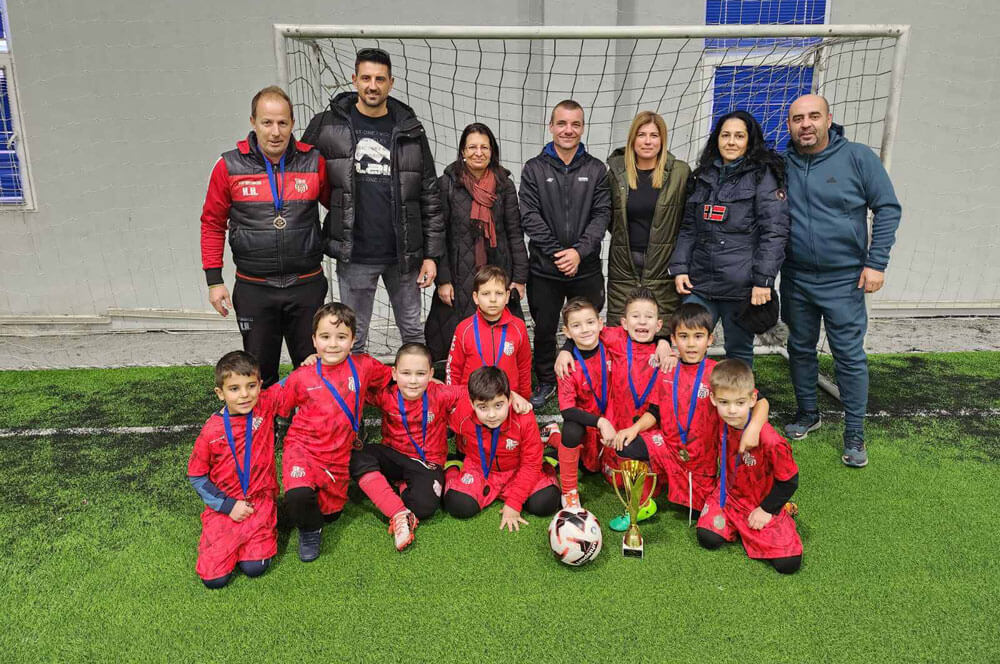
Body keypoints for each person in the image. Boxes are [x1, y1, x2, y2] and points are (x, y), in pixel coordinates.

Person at [782, 94, 902, 468]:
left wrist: (876, 263)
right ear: (789, 125)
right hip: (796, 277)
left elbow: (887, 208)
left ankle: (854, 432)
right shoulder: (781, 163)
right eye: (797, 118)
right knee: (799, 347)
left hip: (845, 279)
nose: (806, 124)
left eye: (813, 116)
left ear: (828, 118)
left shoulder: (857, 157)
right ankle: (808, 413)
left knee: (848, 355)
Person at [302, 48, 444, 353]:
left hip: (403, 256)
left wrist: (431, 256)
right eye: (366, 78)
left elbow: (429, 193)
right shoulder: (327, 124)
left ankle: (416, 385)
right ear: (354, 79)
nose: (372, 85)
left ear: (391, 83)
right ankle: (354, 386)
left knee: (413, 332)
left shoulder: (410, 128)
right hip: (355, 254)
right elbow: (299, 175)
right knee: (354, 338)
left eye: (380, 79)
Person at [200, 86, 330, 387]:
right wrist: (214, 280)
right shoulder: (228, 166)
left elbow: (339, 208)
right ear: (253, 122)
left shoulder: (314, 162)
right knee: (259, 374)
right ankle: (264, 418)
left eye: (282, 123)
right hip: (254, 288)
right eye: (267, 122)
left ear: (292, 123)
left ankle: (310, 419)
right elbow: (212, 223)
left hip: (306, 285)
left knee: (313, 374)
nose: (275, 132)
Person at [613, 303, 769, 528]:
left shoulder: (718, 372)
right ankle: (643, 502)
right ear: (673, 340)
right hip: (668, 448)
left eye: (698, 336)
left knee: (707, 526)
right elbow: (655, 411)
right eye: (684, 336)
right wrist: (633, 429)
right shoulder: (667, 370)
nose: (691, 344)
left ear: (710, 339)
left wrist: (753, 429)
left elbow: (761, 401)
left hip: (700, 463)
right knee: (627, 445)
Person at [668, 110, 790, 368]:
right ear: (717, 139)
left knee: (738, 352)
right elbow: (688, 227)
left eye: (739, 136)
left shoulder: (763, 176)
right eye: (725, 135)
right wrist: (679, 268)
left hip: (741, 287)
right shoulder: (702, 176)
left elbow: (774, 232)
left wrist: (763, 281)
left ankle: (739, 395)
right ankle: (692, 393)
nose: (731, 142)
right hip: (700, 283)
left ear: (749, 141)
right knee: (688, 346)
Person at [278, 303, 392, 562]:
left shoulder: (365, 366)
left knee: (331, 515)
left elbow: (392, 377)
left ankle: (298, 507)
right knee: (298, 494)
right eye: (325, 337)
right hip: (302, 447)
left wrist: (430, 382)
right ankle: (310, 530)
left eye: (341, 337)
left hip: (338, 454)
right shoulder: (303, 375)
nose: (332, 344)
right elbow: (279, 402)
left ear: (353, 340)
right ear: (314, 340)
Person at [520, 99, 611, 408]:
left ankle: (587, 376)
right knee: (545, 329)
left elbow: (602, 215)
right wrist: (560, 253)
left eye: (575, 124)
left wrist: (579, 253)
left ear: (582, 128)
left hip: (585, 268)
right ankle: (547, 380)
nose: (568, 130)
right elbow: (529, 215)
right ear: (551, 126)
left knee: (586, 327)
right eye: (562, 123)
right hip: (545, 269)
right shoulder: (534, 168)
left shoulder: (597, 169)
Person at [549, 290, 672, 511]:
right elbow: (582, 331)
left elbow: (586, 327)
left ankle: (553, 437)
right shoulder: (615, 339)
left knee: (642, 480)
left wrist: (664, 341)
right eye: (635, 316)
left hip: (638, 425)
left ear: (659, 324)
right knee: (584, 454)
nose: (642, 321)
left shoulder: (665, 358)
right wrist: (565, 350)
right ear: (624, 323)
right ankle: (567, 481)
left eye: (648, 317)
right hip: (604, 422)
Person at [424, 123, 529, 362]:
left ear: (492, 151)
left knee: (500, 338)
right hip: (459, 274)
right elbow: (440, 234)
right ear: (463, 150)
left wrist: (520, 278)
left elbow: (514, 233)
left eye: (484, 147)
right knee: (459, 339)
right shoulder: (447, 184)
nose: (478, 153)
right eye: (472, 147)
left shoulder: (504, 184)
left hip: (498, 270)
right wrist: (443, 280)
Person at [351, 343, 467, 551]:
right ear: (394, 373)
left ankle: (402, 486)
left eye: (420, 374)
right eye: (406, 373)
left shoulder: (440, 393)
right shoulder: (386, 394)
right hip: (394, 457)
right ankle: (398, 512)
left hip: (427, 463)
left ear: (431, 374)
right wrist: (318, 363)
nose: (413, 380)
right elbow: (350, 386)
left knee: (424, 508)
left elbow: (474, 392)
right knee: (355, 456)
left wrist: (511, 395)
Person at [695, 359, 802, 574]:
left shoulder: (770, 440)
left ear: (752, 399)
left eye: (740, 403)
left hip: (759, 502)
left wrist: (766, 510)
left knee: (788, 563)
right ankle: (739, 526)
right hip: (729, 497)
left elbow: (790, 481)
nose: (731, 410)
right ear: (713, 399)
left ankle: (783, 510)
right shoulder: (720, 420)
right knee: (707, 538)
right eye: (724, 402)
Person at [187, 351, 283, 589]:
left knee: (255, 568)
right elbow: (197, 476)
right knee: (214, 580)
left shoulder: (265, 404)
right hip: (226, 505)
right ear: (220, 393)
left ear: (260, 385)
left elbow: (292, 384)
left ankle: (260, 533)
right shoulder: (211, 432)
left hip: (260, 502)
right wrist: (228, 505)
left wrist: (314, 361)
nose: (244, 395)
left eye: (251, 386)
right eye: (234, 389)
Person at [442, 366, 560, 529]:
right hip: (479, 469)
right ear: (471, 403)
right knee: (457, 505)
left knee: (546, 503)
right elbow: (437, 393)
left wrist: (514, 503)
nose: (492, 415)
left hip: (517, 469)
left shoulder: (524, 417)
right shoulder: (462, 413)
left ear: (510, 400)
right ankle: (453, 468)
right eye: (483, 407)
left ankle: (547, 465)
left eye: (498, 405)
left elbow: (531, 464)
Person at [606, 111, 691, 327]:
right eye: (641, 135)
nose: (647, 141)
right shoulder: (616, 174)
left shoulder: (680, 172)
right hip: (624, 267)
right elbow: (610, 218)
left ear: (662, 140)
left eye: (654, 135)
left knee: (661, 331)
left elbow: (687, 221)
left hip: (663, 266)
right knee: (623, 331)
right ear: (632, 139)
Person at [445, 265, 532, 398]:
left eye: (499, 293)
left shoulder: (518, 327)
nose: (493, 299)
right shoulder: (463, 329)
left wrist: (524, 397)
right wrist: (453, 400)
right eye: (486, 294)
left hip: (507, 400)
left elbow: (524, 366)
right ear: (476, 297)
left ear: (507, 296)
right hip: (471, 400)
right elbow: (453, 369)